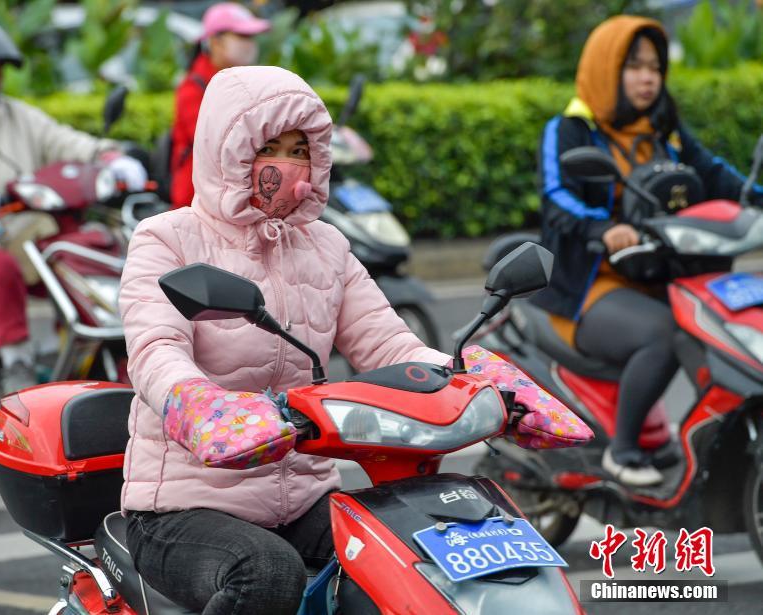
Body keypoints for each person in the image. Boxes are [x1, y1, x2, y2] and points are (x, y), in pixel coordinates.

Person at [119, 65, 592, 614]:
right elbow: (156, 352)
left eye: (300, 150)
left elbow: (390, 346)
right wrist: (205, 409)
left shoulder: (327, 247)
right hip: (182, 507)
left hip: (303, 498)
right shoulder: (167, 240)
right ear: (230, 150)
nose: (289, 164)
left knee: (416, 550)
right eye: (271, 147)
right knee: (267, 574)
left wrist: (477, 381)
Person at [532, 16, 761, 486]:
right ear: (606, 68)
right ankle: (623, 452)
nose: (647, 78)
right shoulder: (571, 129)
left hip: (655, 277)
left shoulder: (663, 131)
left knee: (715, 323)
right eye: (633, 66)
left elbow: (716, 175)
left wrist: (754, 200)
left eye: (655, 68)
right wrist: (604, 229)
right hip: (589, 287)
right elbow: (557, 198)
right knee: (666, 332)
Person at [0, 23, 147, 394]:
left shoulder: (18, 114)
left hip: (20, 231)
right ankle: (16, 363)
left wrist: (108, 156)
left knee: (76, 246)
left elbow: (62, 140)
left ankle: (85, 346)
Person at [169, 2, 269, 208]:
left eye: (251, 37)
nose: (249, 44)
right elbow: (216, 142)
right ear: (215, 42)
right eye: (242, 36)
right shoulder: (193, 88)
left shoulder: (247, 82)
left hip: (240, 197)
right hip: (197, 201)